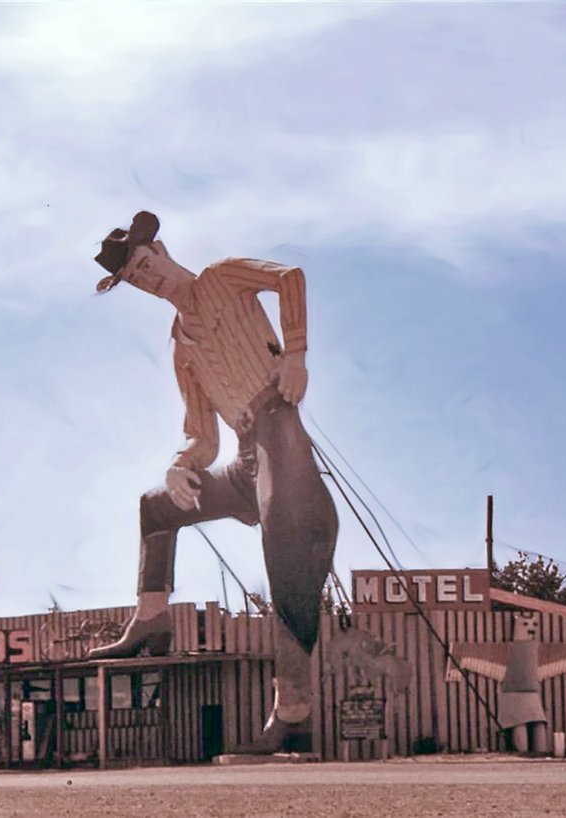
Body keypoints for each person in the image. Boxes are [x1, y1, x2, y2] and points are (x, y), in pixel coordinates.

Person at [89, 211, 338, 753]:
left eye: (143, 263)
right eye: (133, 278)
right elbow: (203, 437)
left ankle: (291, 702)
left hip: (281, 430)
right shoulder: (182, 348)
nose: (145, 278)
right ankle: (150, 622)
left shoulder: (224, 277)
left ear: (160, 249)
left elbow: (288, 276)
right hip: (246, 456)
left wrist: (294, 353)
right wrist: (180, 467)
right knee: (155, 507)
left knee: (283, 532)